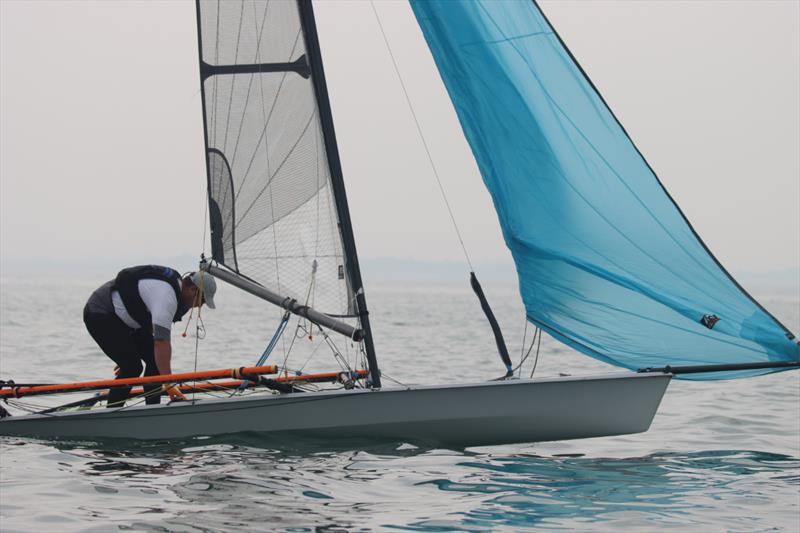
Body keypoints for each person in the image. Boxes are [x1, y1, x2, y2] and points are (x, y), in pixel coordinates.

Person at [82, 265, 217, 407]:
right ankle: (111, 413)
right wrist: (169, 385)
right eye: (202, 301)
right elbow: (161, 341)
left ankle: (153, 407)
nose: (200, 306)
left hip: (125, 322)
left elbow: (153, 331)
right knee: (132, 367)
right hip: (100, 312)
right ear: (192, 290)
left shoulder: (173, 291)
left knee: (154, 361)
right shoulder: (167, 297)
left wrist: (128, 349)